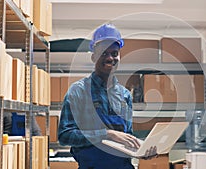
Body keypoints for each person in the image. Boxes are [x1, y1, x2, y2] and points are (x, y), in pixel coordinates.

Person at [58, 24, 156, 169]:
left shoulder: (125, 96)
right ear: (93, 57)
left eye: (114, 53)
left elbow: (126, 136)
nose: (110, 58)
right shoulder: (78, 91)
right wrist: (106, 134)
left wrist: (141, 149)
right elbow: (65, 135)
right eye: (104, 53)